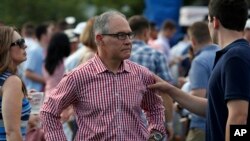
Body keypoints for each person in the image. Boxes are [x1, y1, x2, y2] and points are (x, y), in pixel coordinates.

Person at [40, 11, 166, 141]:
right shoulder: (79, 76)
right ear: (100, 39)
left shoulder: (141, 74)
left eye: (129, 35)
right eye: (121, 35)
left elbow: (154, 107)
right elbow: (48, 112)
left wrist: (156, 134)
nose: (128, 41)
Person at [148, 0, 250, 141]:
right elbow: (214, 107)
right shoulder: (234, 54)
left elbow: (239, 117)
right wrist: (170, 90)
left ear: (214, 22)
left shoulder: (235, 56)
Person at [128, 15, 174, 140]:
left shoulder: (119, 56)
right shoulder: (156, 55)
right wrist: (169, 123)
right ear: (145, 32)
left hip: (124, 122)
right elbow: (166, 92)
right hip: (152, 123)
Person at [185, 21, 219, 141]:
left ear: (193, 40)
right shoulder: (224, 53)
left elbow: (198, 96)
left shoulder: (199, 61)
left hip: (202, 126)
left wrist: (179, 106)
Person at [0, 26, 31, 140]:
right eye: (20, 42)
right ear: (5, 47)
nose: (25, 46)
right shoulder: (11, 81)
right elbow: (12, 132)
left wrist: (22, 100)